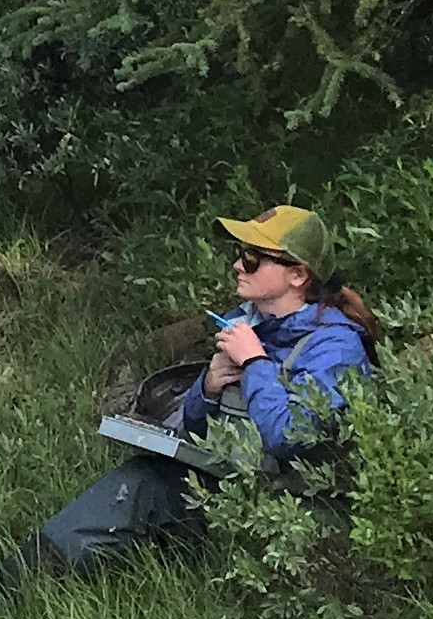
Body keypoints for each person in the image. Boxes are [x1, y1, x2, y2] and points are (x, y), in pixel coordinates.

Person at [32, 205, 376, 573]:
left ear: (298, 274)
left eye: (253, 258)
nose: (238, 265)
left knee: (141, 490)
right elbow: (197, 430)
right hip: (237, 488)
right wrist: (209, 388)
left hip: (297, 513)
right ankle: (18, 583)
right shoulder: (251, 326)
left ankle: (28, 582)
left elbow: (291, 436)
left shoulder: (335, 347)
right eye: (239, 254)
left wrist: (254, 363)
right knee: (142, 478)